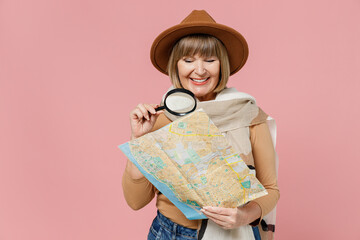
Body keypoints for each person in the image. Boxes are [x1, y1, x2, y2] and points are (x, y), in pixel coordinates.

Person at [122, 10, 279, 240]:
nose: (200, 70)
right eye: (188, 60)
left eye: (209, 60)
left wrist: (244, 216)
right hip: (170, 233)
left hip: (237, 232)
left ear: (221, 65)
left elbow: (271, 189)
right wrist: (138, 141)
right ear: (175, 65)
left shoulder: (248, 115)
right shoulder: (160, 118)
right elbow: (135, 201)